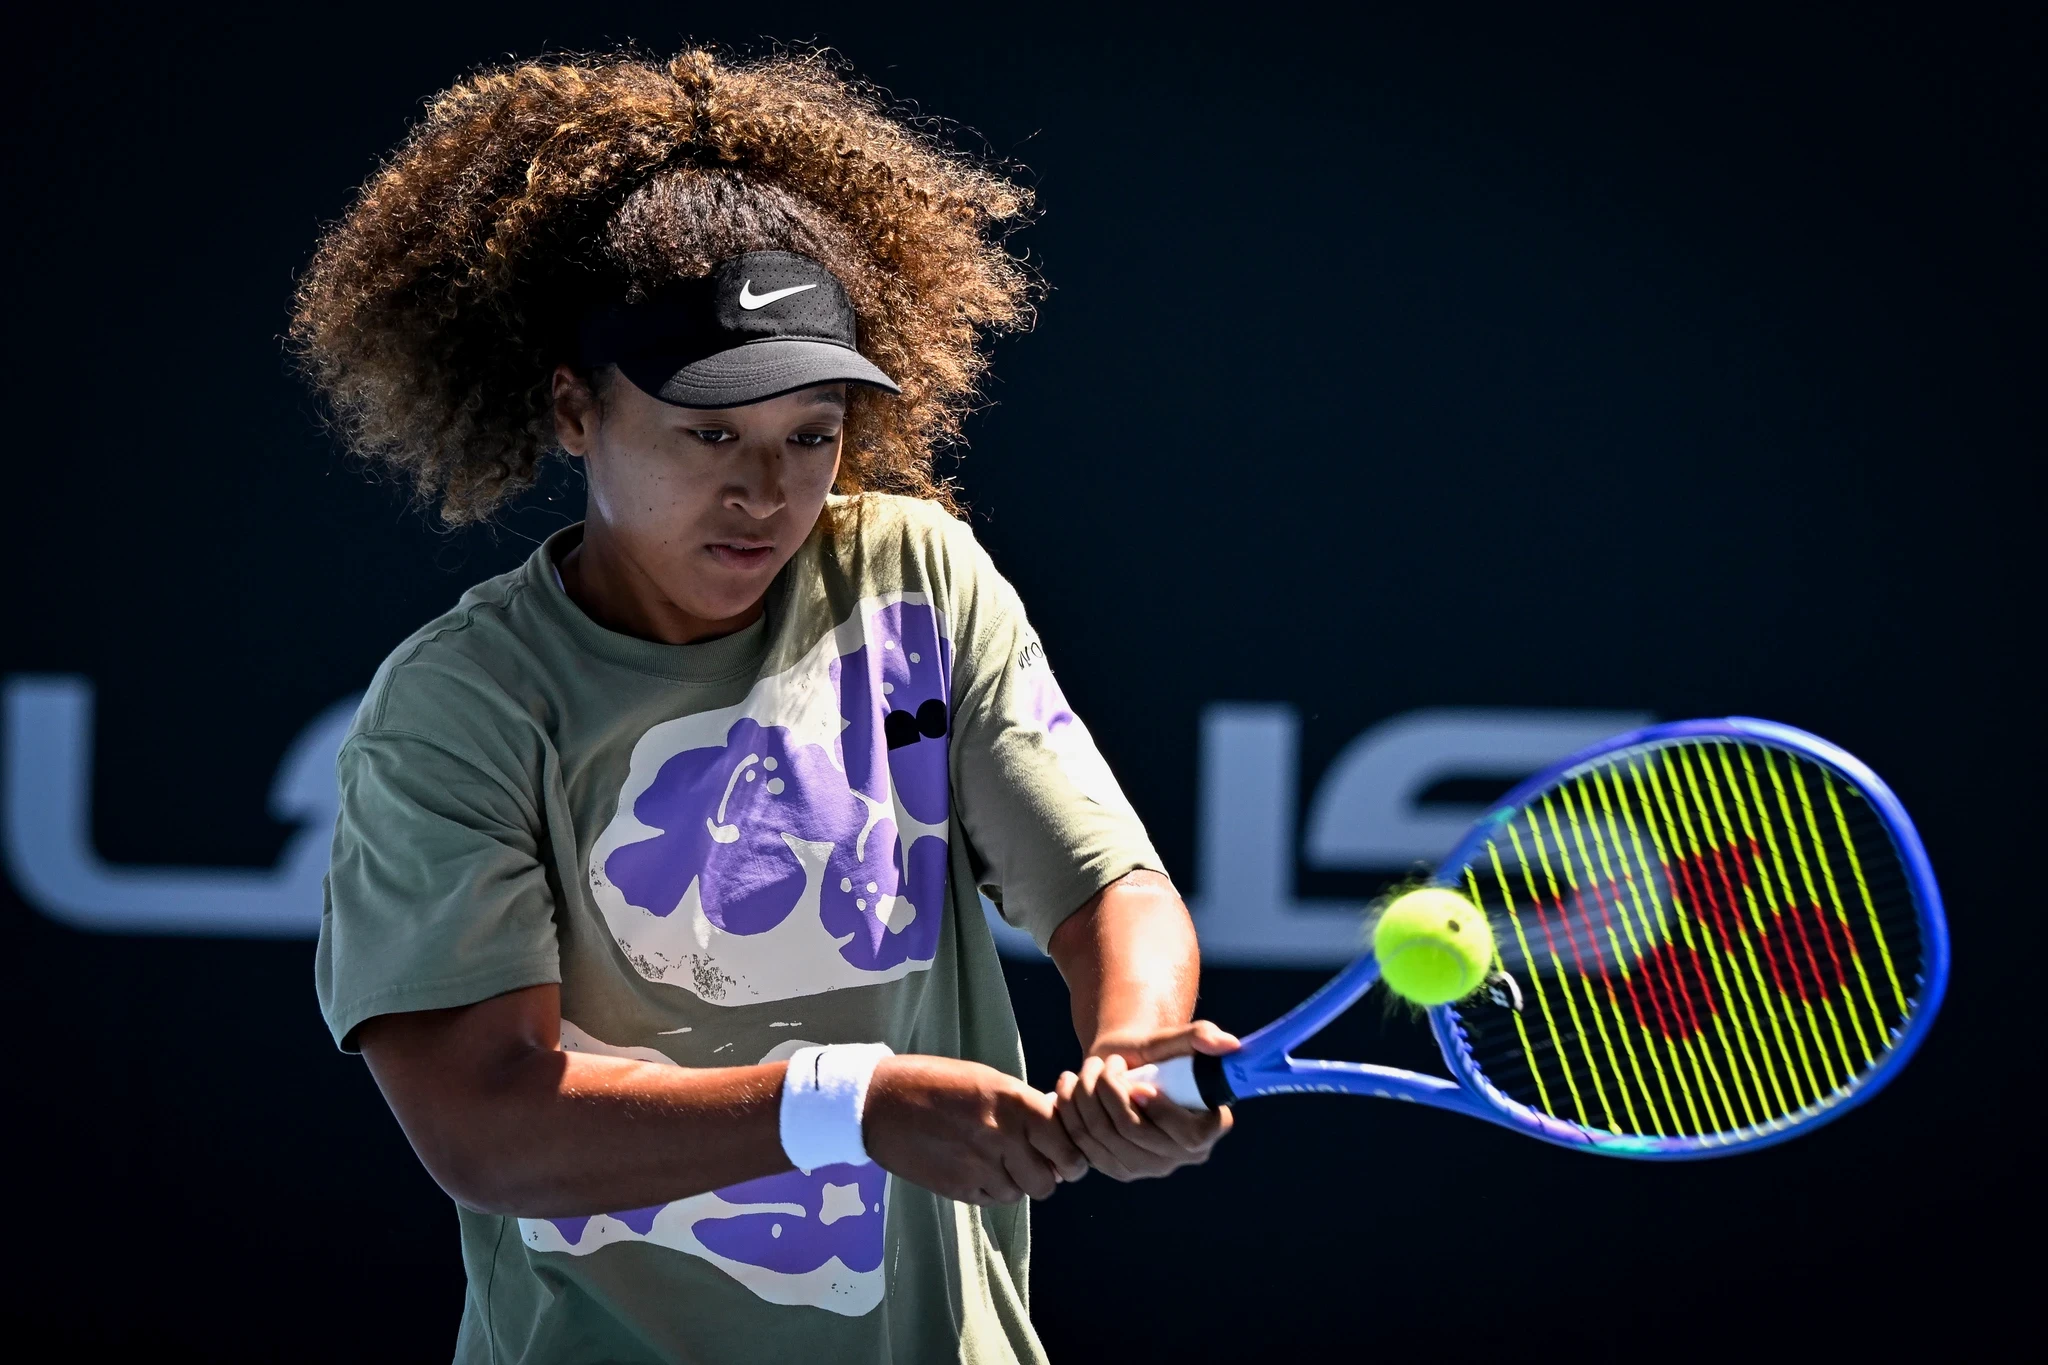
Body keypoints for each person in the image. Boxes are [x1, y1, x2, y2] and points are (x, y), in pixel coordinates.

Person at [292, 48, 1235, 1364]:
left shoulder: (916, 579)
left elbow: (1103, 887)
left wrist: (1133, 1040)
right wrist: (849, 1102)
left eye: (812, 434)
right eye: (710, 432)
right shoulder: (458, 709)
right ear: (575, 409)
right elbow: (487, 1127)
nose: (766, 493)